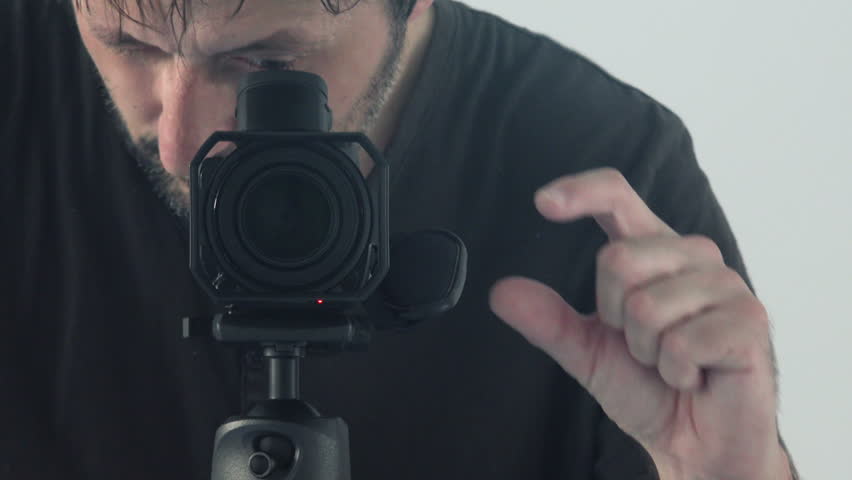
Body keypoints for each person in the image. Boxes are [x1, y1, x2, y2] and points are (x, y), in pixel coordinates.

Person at [0, 0, 799, 478]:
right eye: (128, 45)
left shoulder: (608, 166)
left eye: (262, 60)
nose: (180, 145)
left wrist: (728, 471)